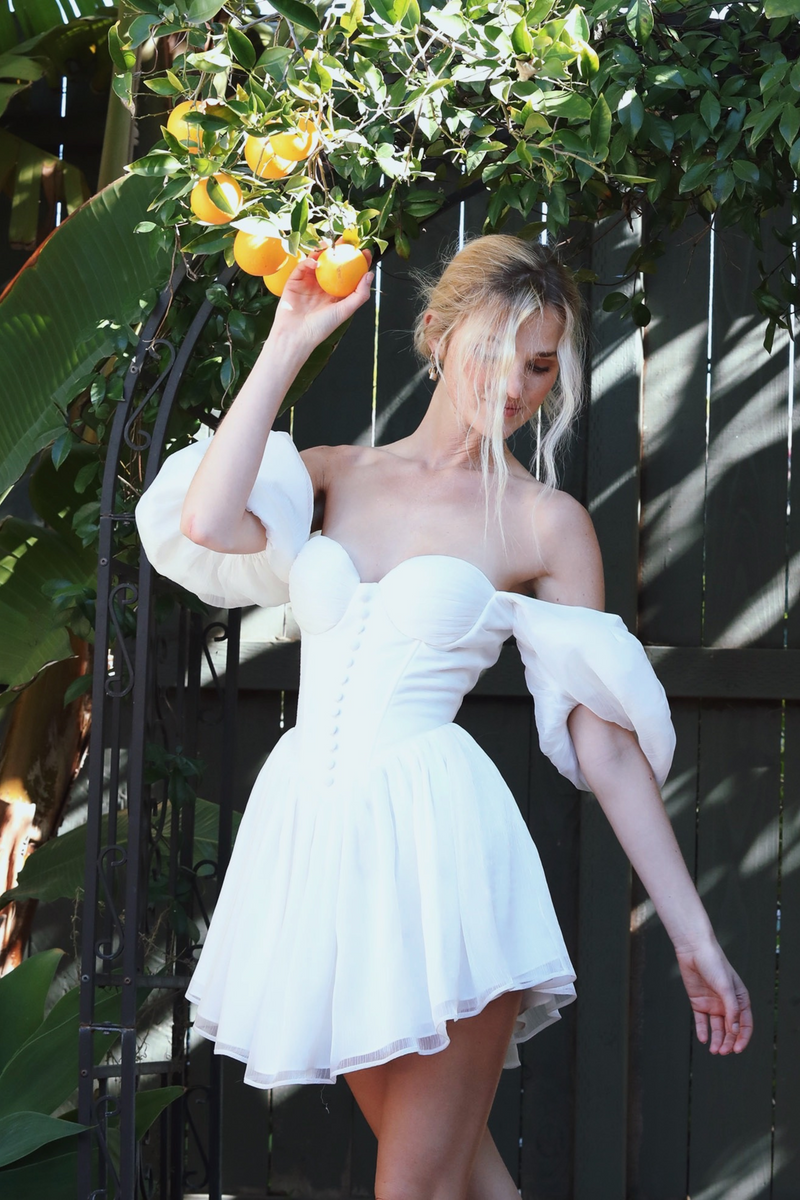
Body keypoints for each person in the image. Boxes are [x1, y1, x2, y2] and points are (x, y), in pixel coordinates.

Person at [135, 234, 753, 1200]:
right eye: (494, 350)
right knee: (462, 1179)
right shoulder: (333, 473)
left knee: (416, 1187)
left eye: (539, 365)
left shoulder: (547, 522)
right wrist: (290, 337)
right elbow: (208, 522)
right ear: (435, 334)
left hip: (439, 856)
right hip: (316, 851)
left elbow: (605, 748)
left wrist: (694, 935)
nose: (515, 384)